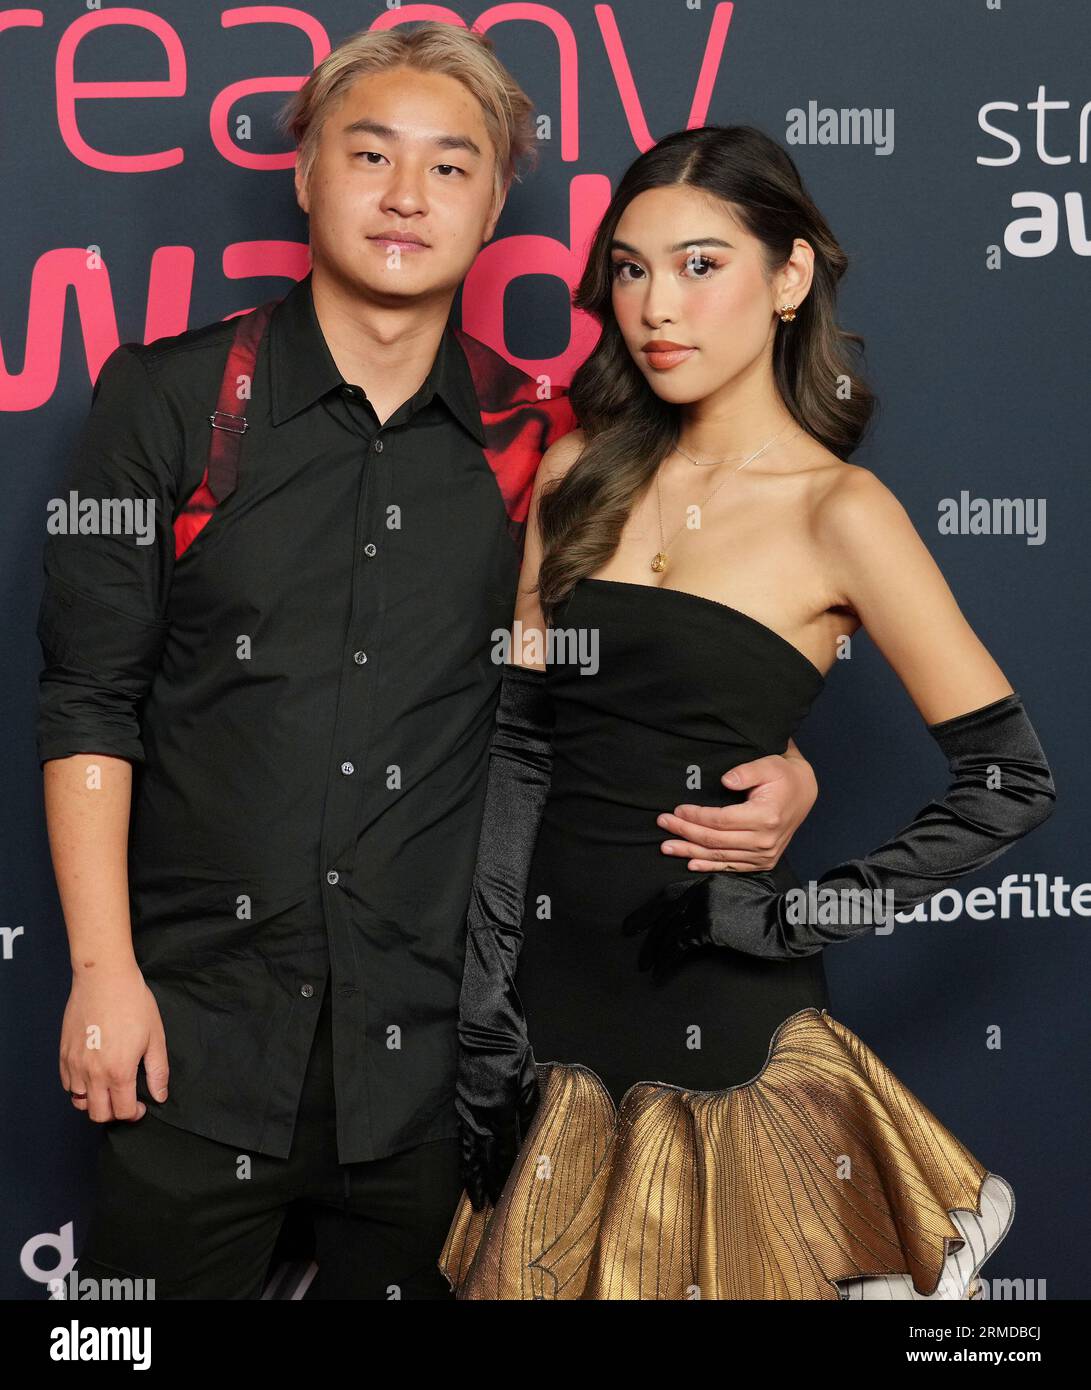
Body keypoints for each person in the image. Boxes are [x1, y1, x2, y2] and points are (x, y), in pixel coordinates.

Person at [36, 28, 819, 1301]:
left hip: (434, 1070)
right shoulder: (170, 399)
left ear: (493, 203)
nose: (407, 194)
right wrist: (100, 973)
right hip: (187, 1039)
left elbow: (654, 660)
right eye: (372, 153)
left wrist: (783, 766)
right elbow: (89, 695)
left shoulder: (545, 439)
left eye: (451, 167)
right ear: (305, 175)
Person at [440, 125, 1057, 1301]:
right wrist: (482, 1012)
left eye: (699, 264)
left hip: (726, 1029)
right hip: (546, 1020)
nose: (654, 307)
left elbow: (1008, 779)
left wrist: (794, 917)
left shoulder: (840, 510)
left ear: (786, 280)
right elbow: (521, 747)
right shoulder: (576, 472)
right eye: (627, 269)